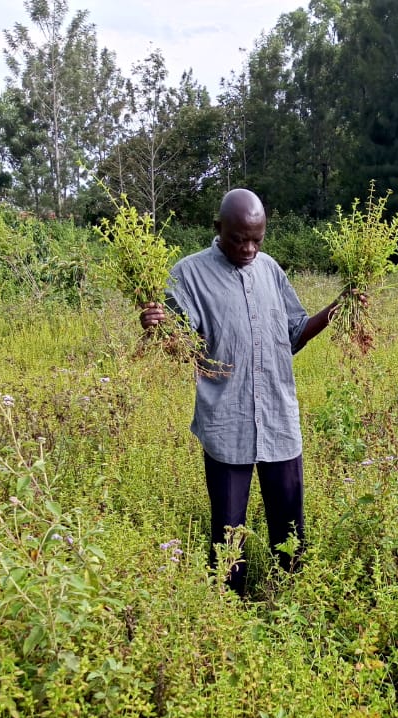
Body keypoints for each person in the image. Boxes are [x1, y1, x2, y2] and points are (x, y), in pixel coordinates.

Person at [140, 188, 353, 597]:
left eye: (257, 239)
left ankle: (289, 597)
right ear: (218, 228)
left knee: (290, 526)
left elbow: (294, 334)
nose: (249, 249)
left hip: (278, 418)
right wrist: (156, 328)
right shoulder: (188, 275)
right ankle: (227, 608)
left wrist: (338, 308)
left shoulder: (270, 270)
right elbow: (179, 347)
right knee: (227, 529)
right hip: (228, 422)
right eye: (239, 239)